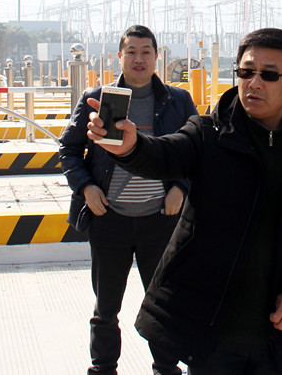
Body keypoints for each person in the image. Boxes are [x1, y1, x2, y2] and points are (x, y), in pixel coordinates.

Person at [86, 27, 282, 375]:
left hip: (278, 334)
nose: (254, 83)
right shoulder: (207, 135)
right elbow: (164, 155)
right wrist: (131, 148)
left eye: (269, 75)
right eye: (245, 72)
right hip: (211, 335)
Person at [59, 24, 198, 375]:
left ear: (156, 56)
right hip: (110, 219)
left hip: (161, 220)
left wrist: (180, 187)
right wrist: (86, 188)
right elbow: (69, 150)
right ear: (119, 57)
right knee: (106, 307)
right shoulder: (98, 98)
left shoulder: (177, 101)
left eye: (146, 51)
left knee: (164, 303)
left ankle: (166, 368)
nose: (139, 59)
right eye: (131, 52)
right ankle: (103, 368)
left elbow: (197, 150)